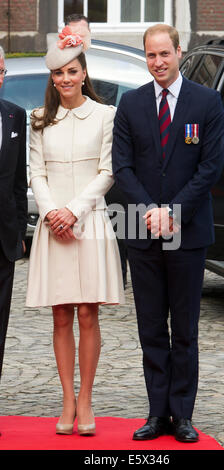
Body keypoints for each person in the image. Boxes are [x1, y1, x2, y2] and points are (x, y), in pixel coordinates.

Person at [112, 24, 224, 443]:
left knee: (185, 328)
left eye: (164, 54)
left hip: (188, 232)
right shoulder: (132, 103)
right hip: (143, 234)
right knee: (151, 329)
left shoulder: (207, 102)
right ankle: (156, 413)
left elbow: (209, 167)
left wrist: (173, 212)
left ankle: (182, 415)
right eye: (150, 55)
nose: (157, 62)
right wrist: (149, 211)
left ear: (179, 52)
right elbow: (122, 166)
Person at [26, 27, 124, 436]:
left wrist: (74, 211)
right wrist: (52, 214)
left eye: (72, 71)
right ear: (52, 78)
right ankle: (66, 398)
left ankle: (86, 399)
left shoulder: (106, 116)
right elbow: (37, 173)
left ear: (84, 73)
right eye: (58, 73)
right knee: (61, 314)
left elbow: (108, 171)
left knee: (88, 312)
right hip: (55, 226)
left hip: (90, 222)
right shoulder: (38, 120)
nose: (65, 79)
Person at [65, 13, 128, 288]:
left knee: (116, 220)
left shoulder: (104, 70)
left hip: (102, 155)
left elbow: (106, 106)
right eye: (74, 36)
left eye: (84, 36)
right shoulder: (63, 69)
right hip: (71, 160)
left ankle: (114, 275)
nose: (80, 42)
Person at [0, 45, 27, 436]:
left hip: (2, 242)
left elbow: (18, 183)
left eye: (1, 69)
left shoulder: (14, 115)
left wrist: (20, 231)